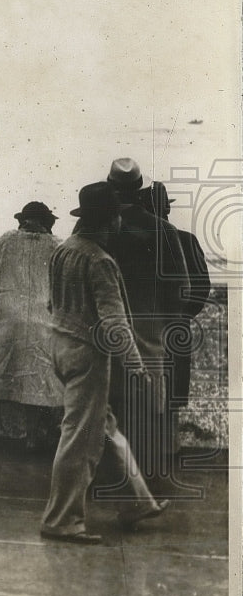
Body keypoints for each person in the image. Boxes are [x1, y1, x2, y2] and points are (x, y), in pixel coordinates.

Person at [40, 182, 169, 544]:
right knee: (80, 440)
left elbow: (51, 304)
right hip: (88, 357)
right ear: (105, 219)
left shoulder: (63, 251)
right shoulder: (99, 260)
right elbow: (114, 323)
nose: (118, 225)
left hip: (60, 347)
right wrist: (137, 366)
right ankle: (61, 520)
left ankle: (137, 502)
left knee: (105, 429)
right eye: (115, 217)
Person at [106, 158, 189, 485]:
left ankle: (109, 477)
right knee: (148, 410)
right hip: (151, 334)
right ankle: (145, 481)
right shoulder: (165, 230)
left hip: (106, 334)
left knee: (109, 408)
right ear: (140, 189)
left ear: (110, 187)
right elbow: (180, 289)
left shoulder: (101, 227)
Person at [138, 180, 211, 451]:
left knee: (143, 392)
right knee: (170, 397)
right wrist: (181, 315)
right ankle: (169, 451)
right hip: (176, 330)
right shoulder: (186, 240)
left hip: (143, 329)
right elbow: (201, 288)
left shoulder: (135, 241)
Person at [0, 201, 64, 452]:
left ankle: (21, 434)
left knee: (15, 378)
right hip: (46, 321)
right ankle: (36, 434)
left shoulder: (7, 240)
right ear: (48, 223)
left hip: (11, 320)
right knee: (44, 381)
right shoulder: (57, 246)